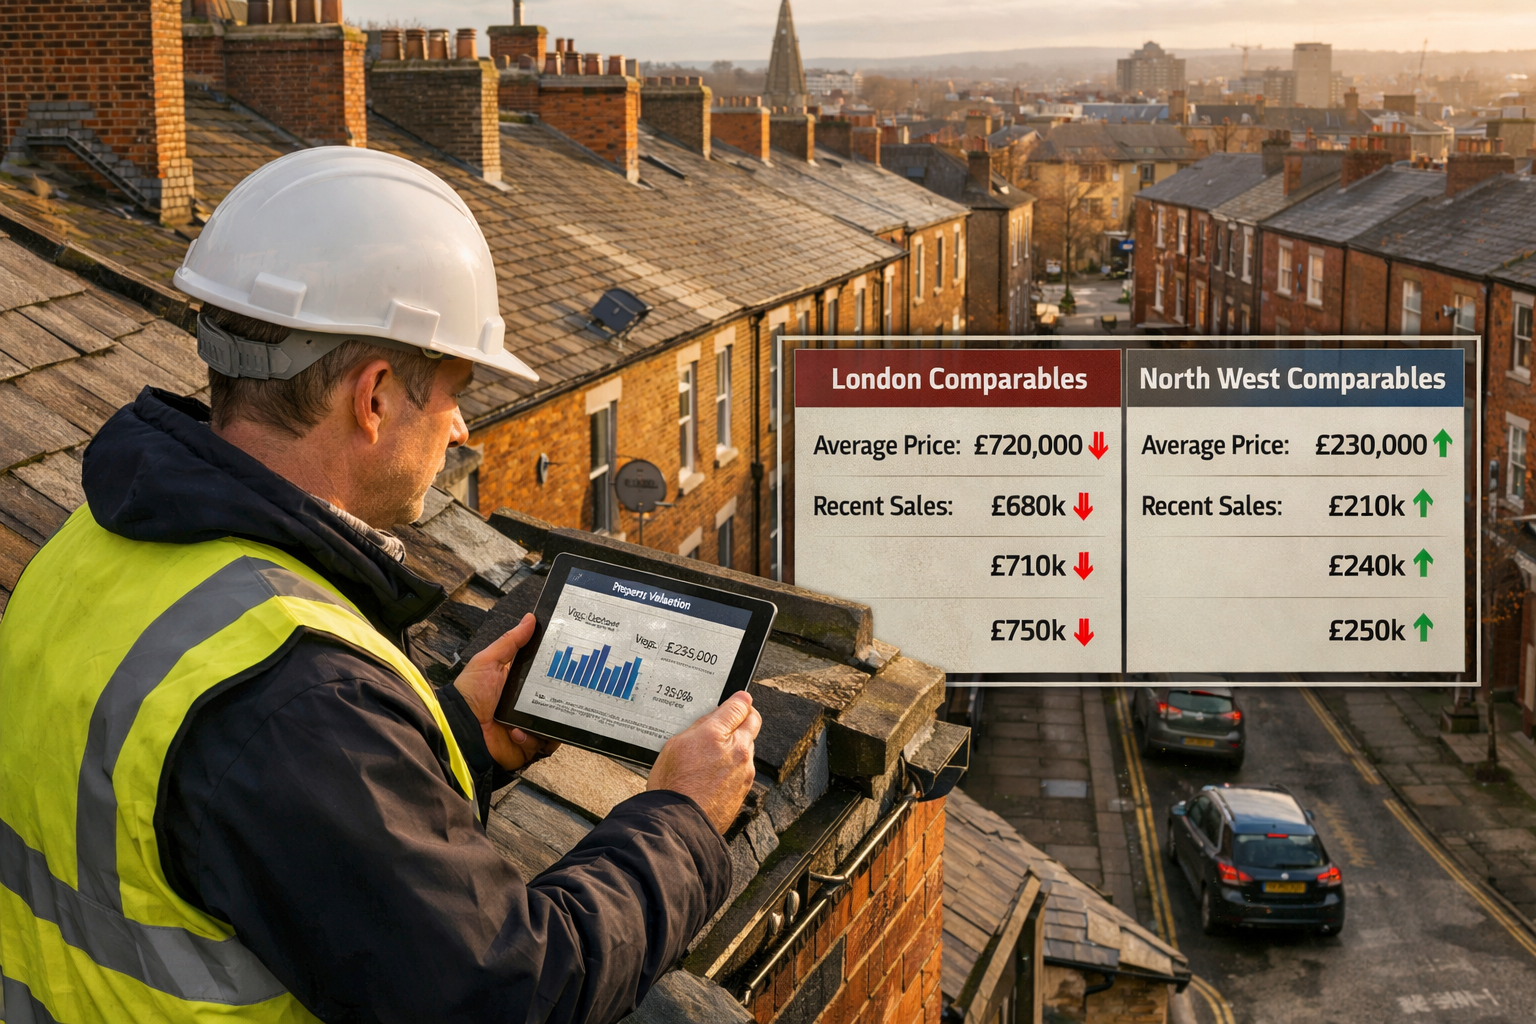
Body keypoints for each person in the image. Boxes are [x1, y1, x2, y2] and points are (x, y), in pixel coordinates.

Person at [0, 148, 761, 1024]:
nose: (463, 426)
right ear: (373, 397)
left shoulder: (95, 543)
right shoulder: (298, 697)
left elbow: (262, 828)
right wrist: (684, 821)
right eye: (452, 392)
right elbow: (512, 992)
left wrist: (458, 742)